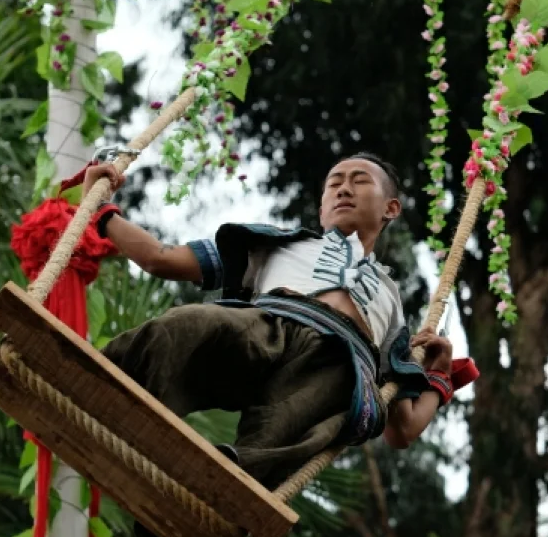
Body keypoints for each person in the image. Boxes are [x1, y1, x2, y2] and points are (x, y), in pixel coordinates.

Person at [68, 151, 469, 501]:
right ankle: (103, 383)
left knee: (294, 423)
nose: (344, 188)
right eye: (334, 183)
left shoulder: (392, 305)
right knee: (189, 323)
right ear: (322, 205)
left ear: (391, 209)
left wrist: (437, 376)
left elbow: (403, 429)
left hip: (340, 359)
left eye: (359, 181)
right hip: (269, 322)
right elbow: (160, 258)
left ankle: (229, 488)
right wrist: (103, 214)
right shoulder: (277, 244)